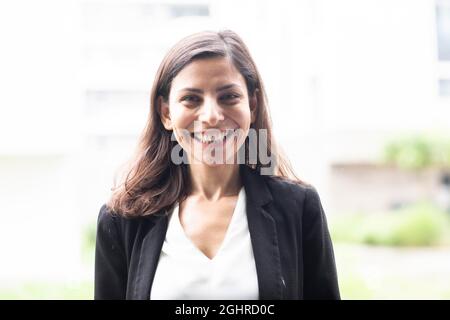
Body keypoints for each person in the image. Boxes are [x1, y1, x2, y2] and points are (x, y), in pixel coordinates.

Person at [94, 30, 340, 300]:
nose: (211, 116)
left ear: (253, 105)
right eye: (191, 99)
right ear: (166, 113)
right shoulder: (122, 219)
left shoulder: (298, 208)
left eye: (228, 97)